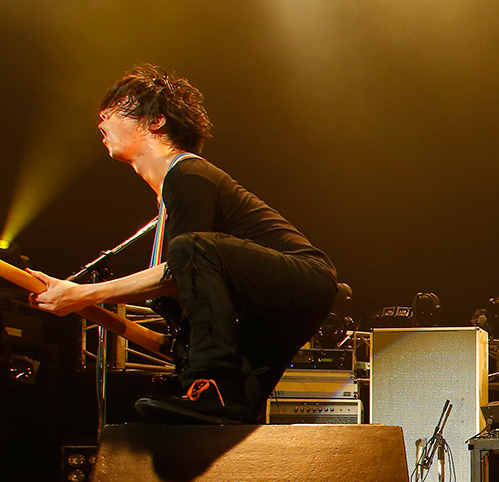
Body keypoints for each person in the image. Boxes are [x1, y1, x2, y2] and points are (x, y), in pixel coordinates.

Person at [29, 64, 337, 424]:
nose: (102, 117)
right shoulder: (171, 193)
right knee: (228, 415)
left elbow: (180, 267)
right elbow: (183, 284)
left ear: (155, 121)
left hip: (303, 279)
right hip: (269, 308)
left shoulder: (188, 174)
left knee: (189, 249)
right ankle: (218, 397)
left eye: (116, 109)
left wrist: (83, 294)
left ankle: (211, 382)